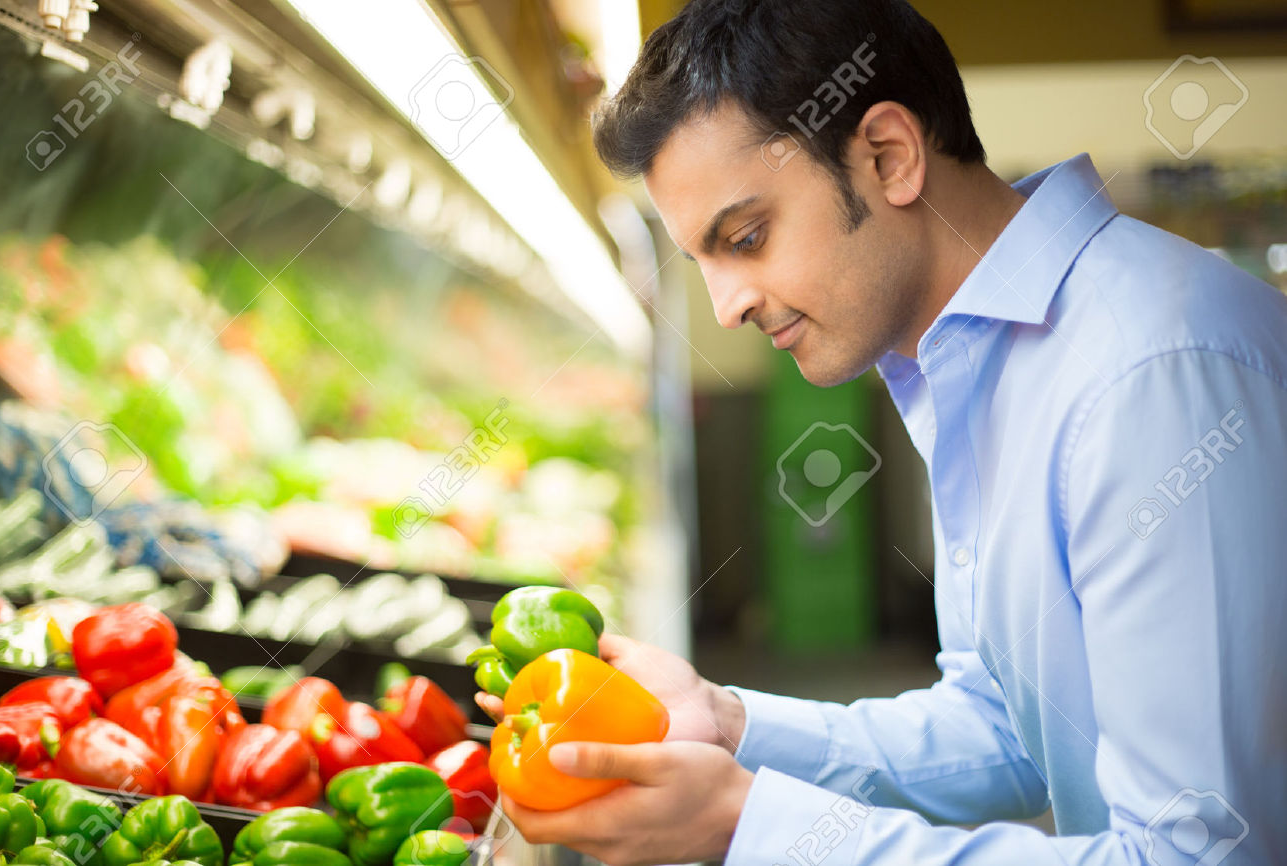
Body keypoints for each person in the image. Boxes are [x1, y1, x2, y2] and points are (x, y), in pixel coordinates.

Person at [477, 1, 1287, 863]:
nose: (728, 305)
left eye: (746, 237)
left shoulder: (1149, 373)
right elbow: (1011, 726)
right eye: (705, 262)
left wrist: (751, 827)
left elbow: (1199, 856)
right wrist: (725, 721)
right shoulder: (976, 359)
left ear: (889, 156)